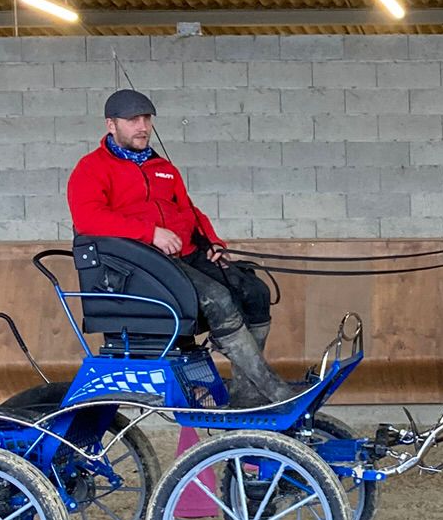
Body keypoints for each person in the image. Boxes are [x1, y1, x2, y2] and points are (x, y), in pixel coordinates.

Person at [66, 87, 296, 406]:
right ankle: (271, 387)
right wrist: (150, 233)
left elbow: (189, 211)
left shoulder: (162, 168)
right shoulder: (91, 168)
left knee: (254, 291)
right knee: (217, 298)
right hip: (140, 265)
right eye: (133, 120)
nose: (143, 127)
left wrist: (212, 242)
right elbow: (88, 218)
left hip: (184, 255)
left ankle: (247, 390)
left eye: (146, 119)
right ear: (111, 125)